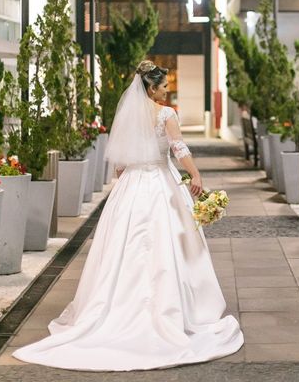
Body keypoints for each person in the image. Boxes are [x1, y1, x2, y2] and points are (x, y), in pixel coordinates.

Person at [13, 61, 244, 371]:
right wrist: (195, 174)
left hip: (132, 185)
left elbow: (120, 160)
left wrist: (126, 173)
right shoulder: (166, 114)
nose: (167, 91)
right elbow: (179, 148)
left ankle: (116, 306)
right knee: (168, 246)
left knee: (121, 246)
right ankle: (172, 310)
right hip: (160, 182)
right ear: (151, 88)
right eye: (163, 87)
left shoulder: (129, 113)